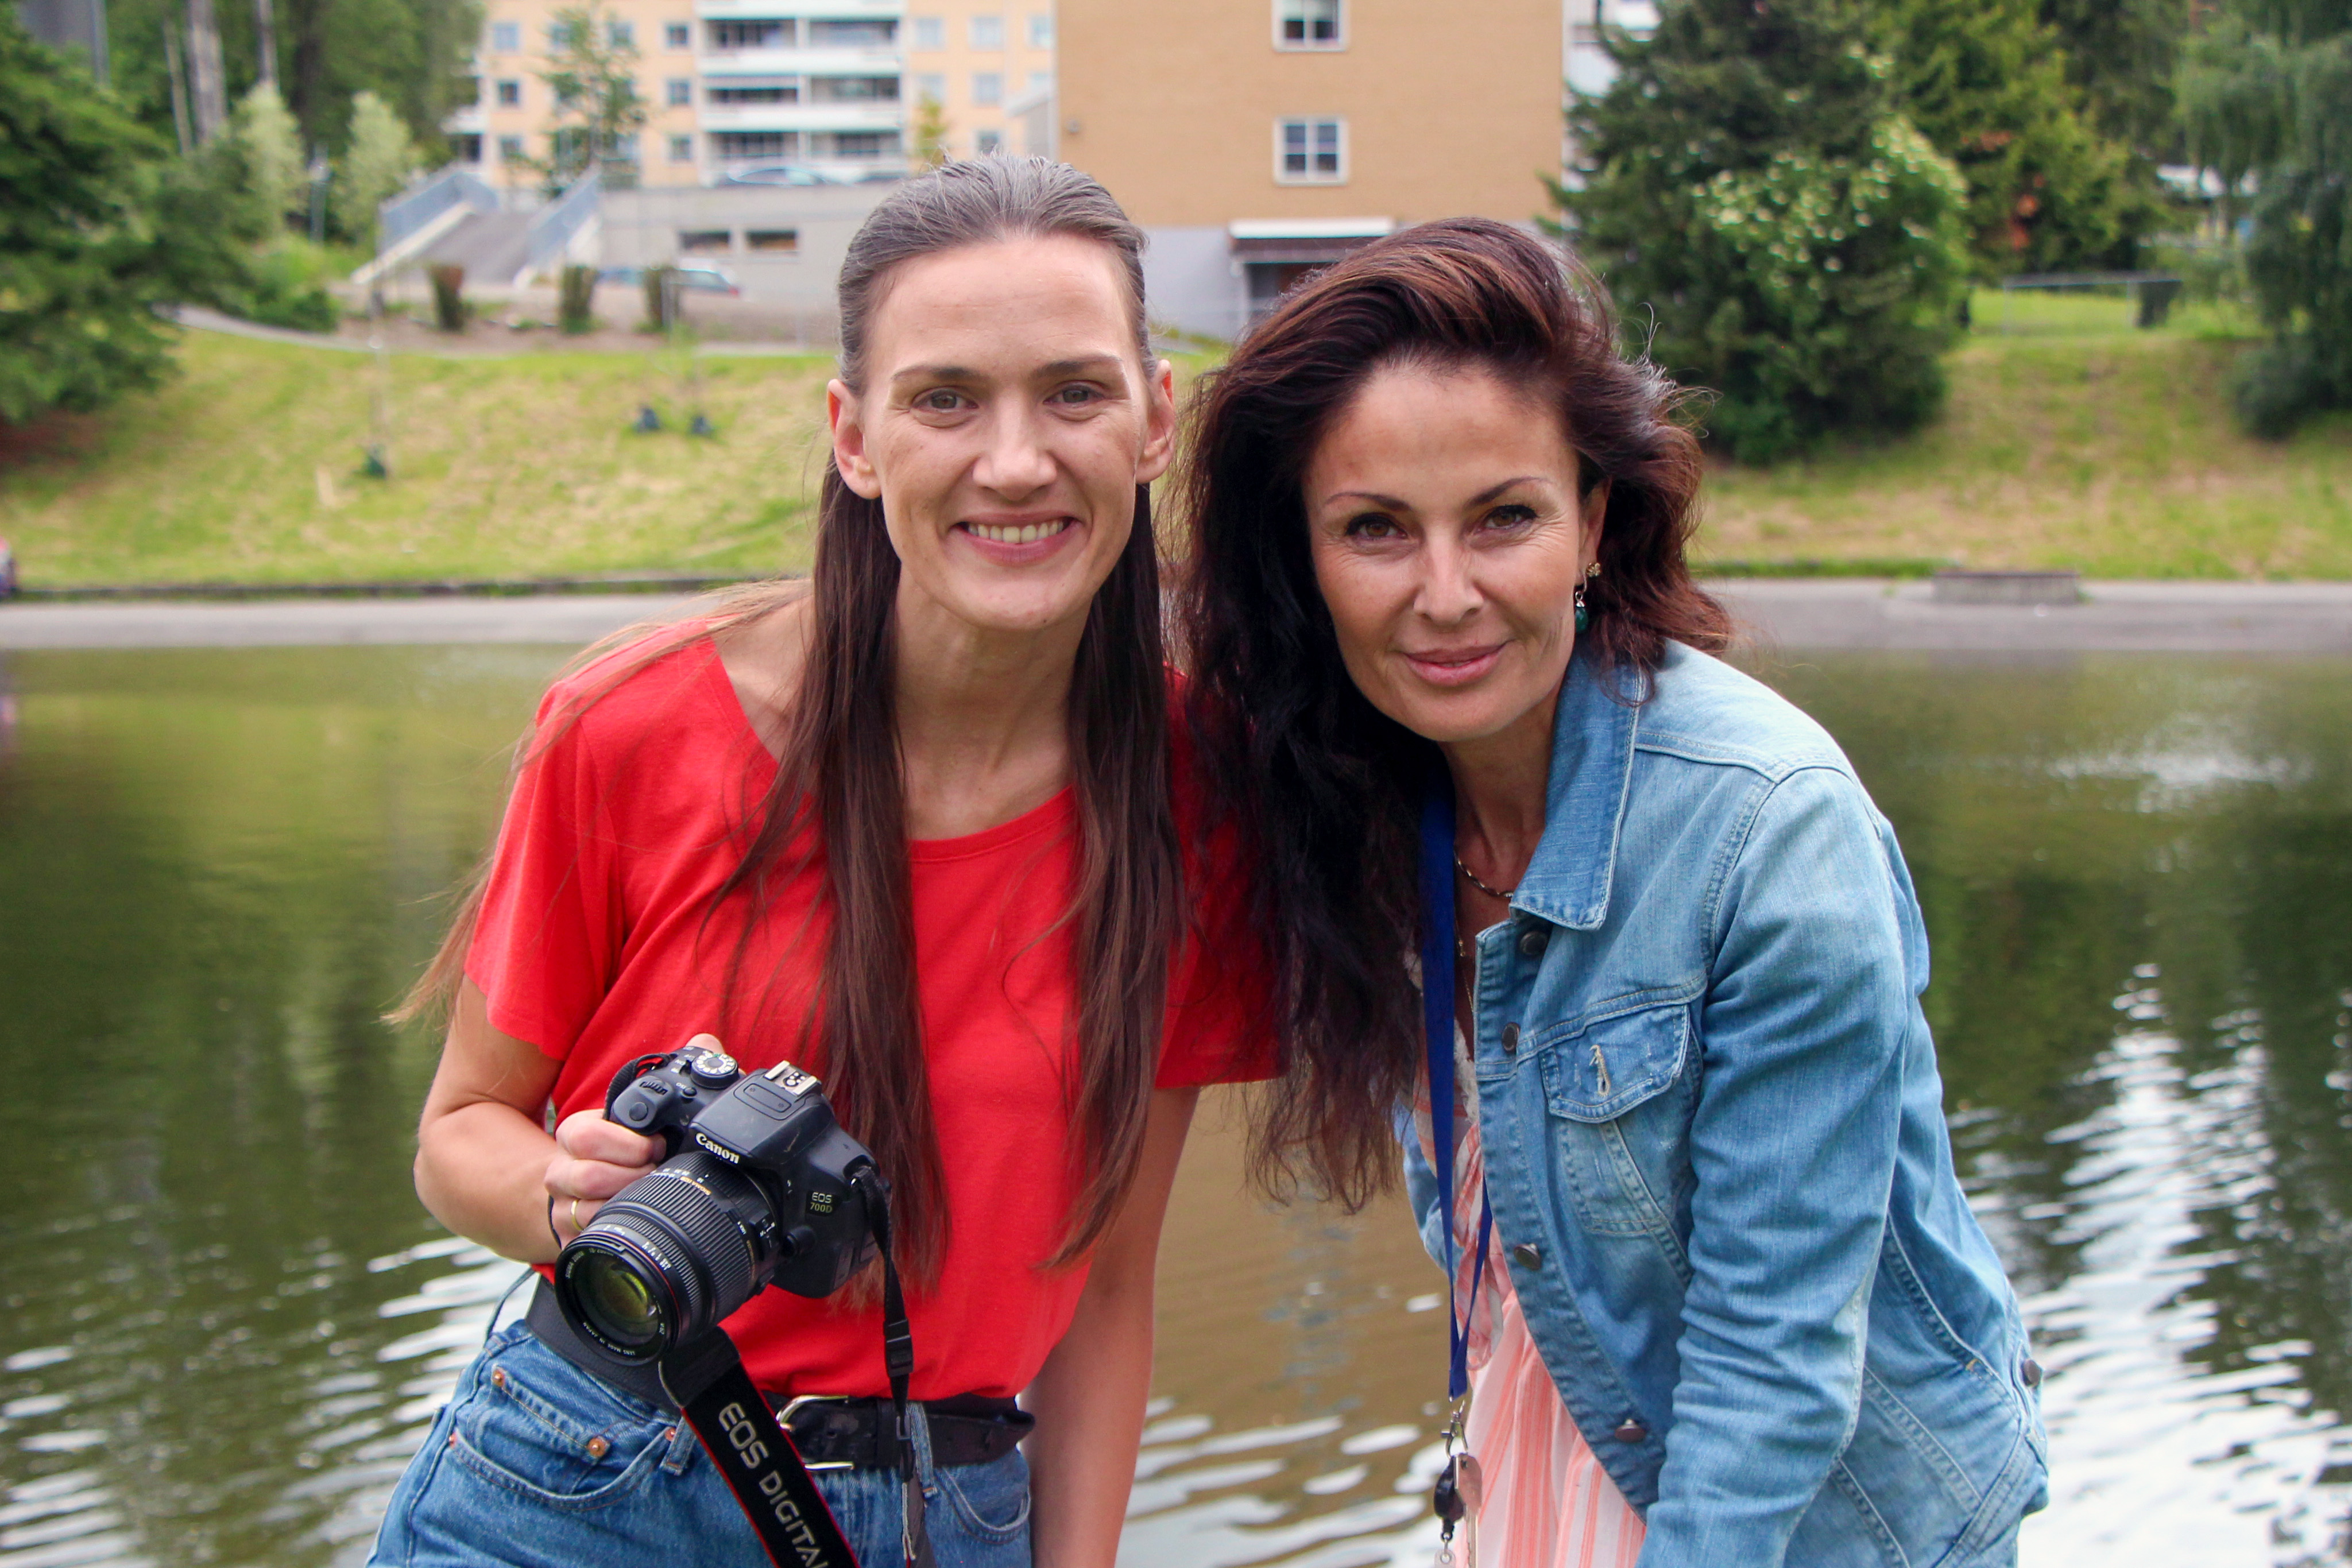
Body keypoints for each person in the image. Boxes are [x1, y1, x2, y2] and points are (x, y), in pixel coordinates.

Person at [366, 158, 1271, 1568]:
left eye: (1073, 392)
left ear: (1155, 419)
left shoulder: (1201, 791)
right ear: (853, 436)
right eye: (944, 398)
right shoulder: (632, 727)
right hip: (574, 1480)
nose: (1014, 461)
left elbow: (1105, 1293)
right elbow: (458, 1134)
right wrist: (569, 1195)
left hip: (946, 1514)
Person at [1178, 218, 2047, 1567]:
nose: (1444, 595)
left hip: (1815, 1520)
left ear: (1589, 524)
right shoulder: (1360, 801)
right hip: (1556, 1449)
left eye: (1503, 517)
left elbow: (1772, 1366)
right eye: (1374, 529)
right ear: (1305, 556)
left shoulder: (1766, 829)